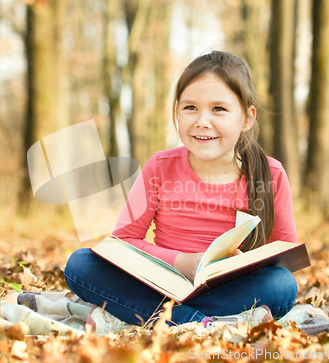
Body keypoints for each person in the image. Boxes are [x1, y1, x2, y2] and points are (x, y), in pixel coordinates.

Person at [64, 51, 298, 333]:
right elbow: (123, 242)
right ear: (177, 112)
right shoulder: (161, 166)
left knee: (281, 284)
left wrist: (240, 266)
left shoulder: (270, 174)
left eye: (219, 109)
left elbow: (283, 256)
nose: (202, 121)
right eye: (190, 108)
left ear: (247, 118)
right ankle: (202, 323)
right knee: (81, 264)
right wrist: (183, 263)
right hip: (158, 283)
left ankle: (157, 317)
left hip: (225, 290)